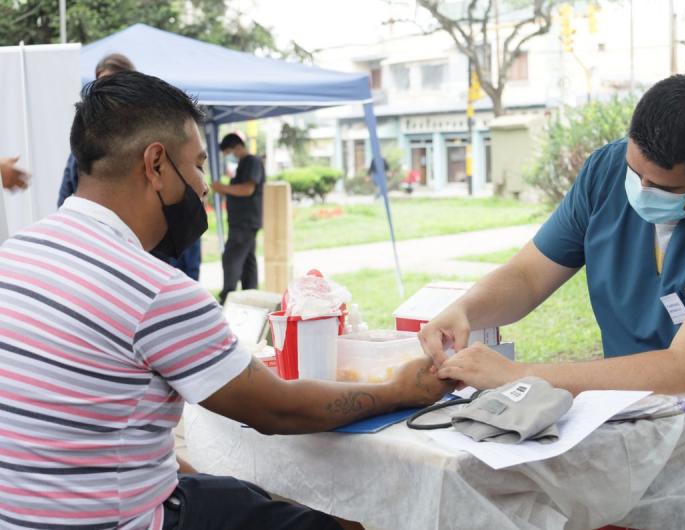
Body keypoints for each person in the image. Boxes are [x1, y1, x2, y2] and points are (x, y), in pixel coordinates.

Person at [0, 71, 451, 530]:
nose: (202, 187)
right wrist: (399, 391)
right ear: (156, 165)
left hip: (27, 513)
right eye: (197, 165)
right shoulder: (154, 289)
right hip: (119, 522)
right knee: (341, 526)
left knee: (239, 492)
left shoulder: (15, 254)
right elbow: (277, 408)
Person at [419, 75, 685, 530]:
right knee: (520, 479)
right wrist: (466, 308)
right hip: (627, 404)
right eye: (635, 172)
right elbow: (527, 276)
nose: (641, 191)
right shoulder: (604, 175)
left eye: (663, 187)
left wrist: (520, 377)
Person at [55, 52, 202, 280]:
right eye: (100, 86)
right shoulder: (82, 154)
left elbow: (186, 246)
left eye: (116, 86)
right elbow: (66, 201)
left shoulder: (172, 148)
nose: (106, 96)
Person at [213, 133, 266, 304]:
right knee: (248, 261)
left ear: (237, 147)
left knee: (232, 258)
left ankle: (227, 296)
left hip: (245, 221)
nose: (229, 156)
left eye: (228, 152)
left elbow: (247, 189)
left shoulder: (252, 162)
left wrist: (223, 188)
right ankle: (251, 296)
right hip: (243, 221)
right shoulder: (245, 163)